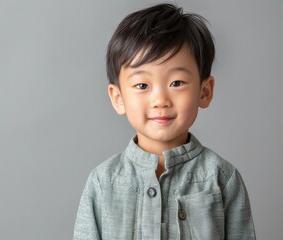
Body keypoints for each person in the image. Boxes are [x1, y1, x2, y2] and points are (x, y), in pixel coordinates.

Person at [73, 3, 256, 240]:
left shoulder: (222, 178)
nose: (160, 100)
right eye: (142, 85)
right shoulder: (102, 181)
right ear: (118, 98)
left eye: (177, 83)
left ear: (204, 91)